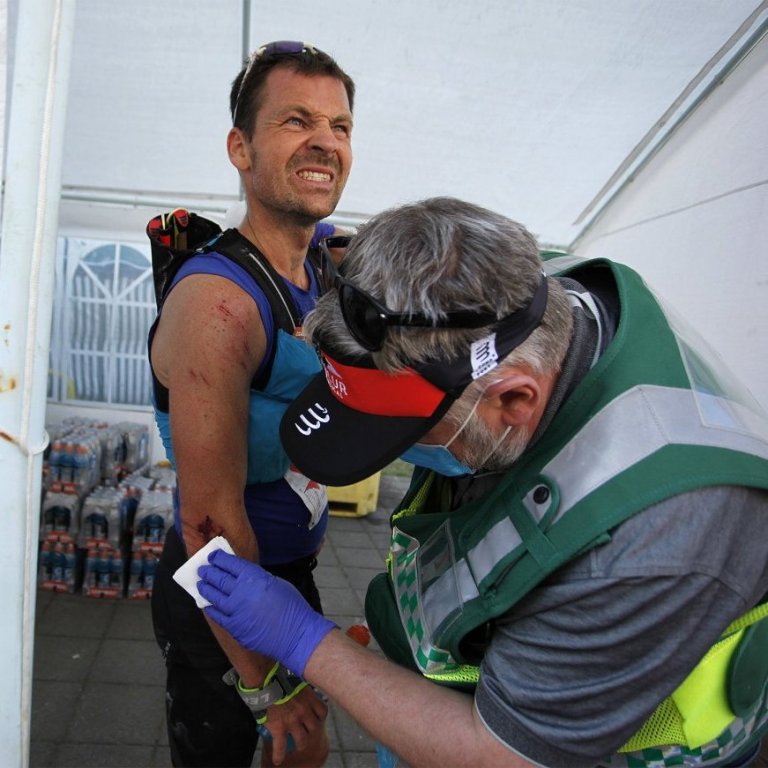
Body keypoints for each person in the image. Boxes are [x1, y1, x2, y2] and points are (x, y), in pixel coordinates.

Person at [195, 197, 768, 768]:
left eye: (408, 433)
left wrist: (305, 642)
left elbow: (501, 753)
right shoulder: (520, 292)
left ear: (514, 399)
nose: (403, 454)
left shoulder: (648, 547)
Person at [148, 41, 355, 768]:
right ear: (240, 147)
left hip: (288, 570)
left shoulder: (324, 264)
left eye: (340, 126)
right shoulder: (219, 304)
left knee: (300, 758)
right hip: (223, 599)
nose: (325, 141)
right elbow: (205, 522)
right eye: (297, 121)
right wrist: (264, 681)